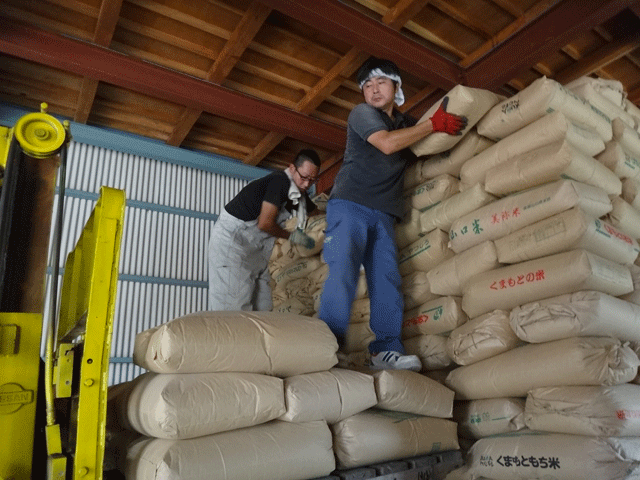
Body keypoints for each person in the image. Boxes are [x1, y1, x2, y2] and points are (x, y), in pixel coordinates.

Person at [319, 57, 467, 370]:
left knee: (386, 280)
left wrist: (439, 129)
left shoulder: (405, 124)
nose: (373, 90)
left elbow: (423, 142)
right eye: (367, 85)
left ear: (396, 86)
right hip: (350, 203)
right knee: (343, 273)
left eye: (380, 82)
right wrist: (431, 125)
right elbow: (386, 145)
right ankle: (324, 347)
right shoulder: (363, 114)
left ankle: (385, 350)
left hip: (384, 213)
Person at [208, 149, 321, 311]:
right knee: (233, 310)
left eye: (312, 180)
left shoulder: (299, 195)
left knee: (264, 310)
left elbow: (316, 213)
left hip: (257, 253)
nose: (306, 185)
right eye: (303, 177)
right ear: (292, 168)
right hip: (234, 244)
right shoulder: (280, 181)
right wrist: (294, 237)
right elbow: (265, 224)